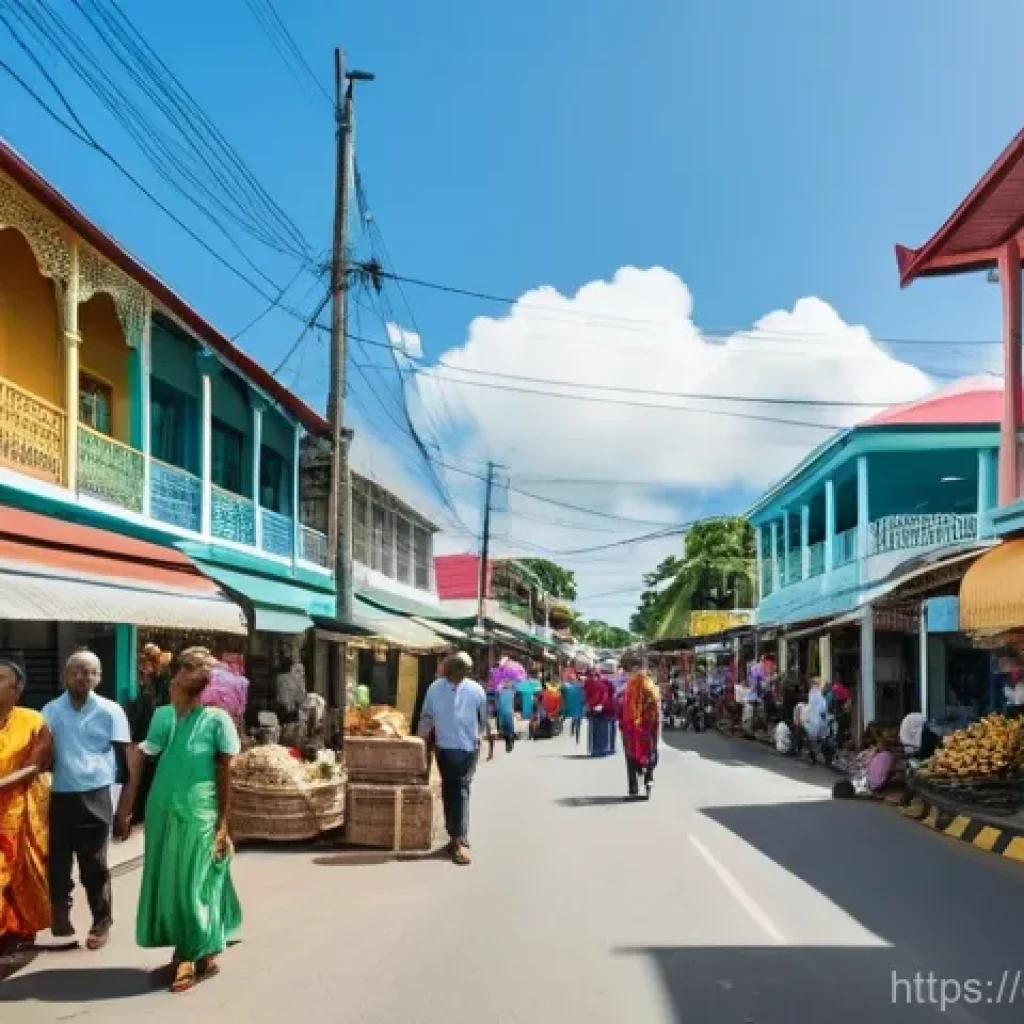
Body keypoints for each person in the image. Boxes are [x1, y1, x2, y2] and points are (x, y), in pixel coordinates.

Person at [115, 647, 242, 994]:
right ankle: (200, 947)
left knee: (194, 882)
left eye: (185, 670)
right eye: (179, 669)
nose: (176, 677)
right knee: (172, 884)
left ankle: (187, 953)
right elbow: (142, 762)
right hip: (162, 810)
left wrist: (223, 824)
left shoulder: (217, 720)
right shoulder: (163, 717)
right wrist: (125, 807)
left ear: (198, 680)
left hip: (201, 810)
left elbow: (225, 773)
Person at [43, 650, 130, 950]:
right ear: (66, 676)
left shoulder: (111, 711)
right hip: (59, 794)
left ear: (99, 677)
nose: (83, 676)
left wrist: (123, 810)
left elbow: (124, 761)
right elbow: (42, 754)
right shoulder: (51, 710)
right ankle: (61, 915)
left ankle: (101, 922)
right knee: (56, 861)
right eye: (77, 671)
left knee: (94, 864)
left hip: (96, 794)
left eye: (90, 671)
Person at [417, 653, 488, 866]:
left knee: (462, 788)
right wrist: (420, 743)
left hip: (468, 749)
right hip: (444, 748)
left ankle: (460, 838)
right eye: (451, 675)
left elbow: (482, 719)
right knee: (449, 789)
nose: (454, 678)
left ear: (466, 673)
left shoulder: (476, 691)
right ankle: (453, 834)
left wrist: (481, 739)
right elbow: (427, 716)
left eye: (459, 674)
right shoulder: (434, 689)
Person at [0, 660, 52, 953]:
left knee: (22, 874)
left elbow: (36, 764)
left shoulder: (33, 720)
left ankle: (18, 930)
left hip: (20, 811)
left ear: (17, 688)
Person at [618, 654, 660, 799]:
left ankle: (634, 789)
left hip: (632, 727)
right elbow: (656, 707)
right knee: (649, 753)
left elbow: (624, 707)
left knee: (631, 757)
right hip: (649, 727)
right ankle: (648, 781)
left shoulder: (632, 686)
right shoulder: (651, 686)